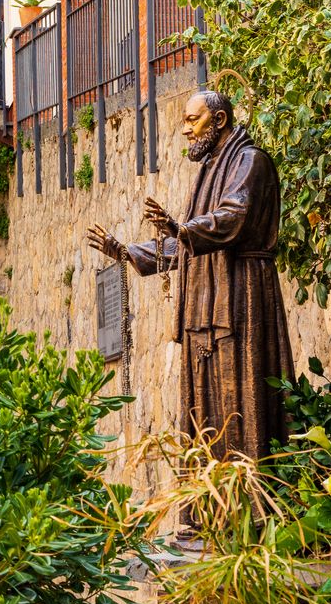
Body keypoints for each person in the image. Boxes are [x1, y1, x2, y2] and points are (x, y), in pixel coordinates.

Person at [85, 90, 294, 463]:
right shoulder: (211, 169)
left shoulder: (250, 162)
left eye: (192, 120)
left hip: (241, 293)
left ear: (219, 120)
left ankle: (249, 500)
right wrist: (125, 251)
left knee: (241, 397)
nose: (185, 131)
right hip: (205, 300)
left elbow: (232, 219)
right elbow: (186, 243)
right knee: (205, 401)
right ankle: (207, 505)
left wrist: (182, 229)